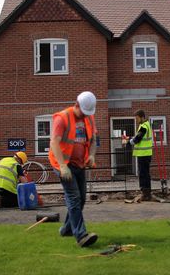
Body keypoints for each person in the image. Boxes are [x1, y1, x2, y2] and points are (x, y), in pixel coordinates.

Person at [49, 91, 99, 248]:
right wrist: (63, 166)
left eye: (87, 113)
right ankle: (81, 235)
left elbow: (93, 140)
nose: (85, 116)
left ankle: (66, 229)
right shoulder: (62, 118)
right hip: (62, 164)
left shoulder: (89, 118)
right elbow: (54, 143)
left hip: (79, 163)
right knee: (74, 197)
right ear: (76, 105)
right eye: (83, 112)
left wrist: (91, 155)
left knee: (82, 198)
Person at [122, 109, 154, 201]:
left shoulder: (144, 126)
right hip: (145, 154)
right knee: (145, 174)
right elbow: (137, 137)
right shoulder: (145, 125)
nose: (136, 120)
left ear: (142, 117)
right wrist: (130, 139)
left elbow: (138, 139)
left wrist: (128, 143)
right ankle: (146, 193)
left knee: (143, 174)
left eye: (137, 118)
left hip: (144, 154)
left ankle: (145, 193)